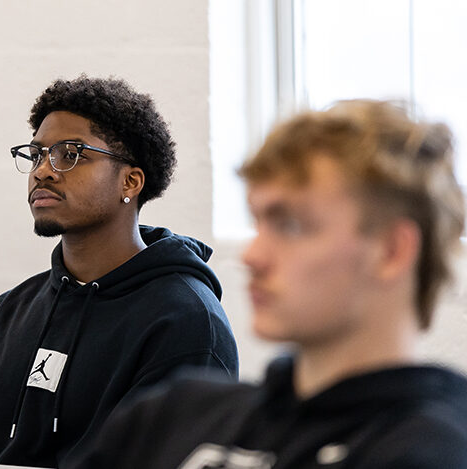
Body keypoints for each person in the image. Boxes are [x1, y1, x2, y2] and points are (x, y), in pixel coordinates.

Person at [67, 100, 467, 469]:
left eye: (290, 225)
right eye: (258, 223)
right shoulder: (172, 415)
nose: (252, 256)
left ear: (392, 251)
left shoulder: (431, 450)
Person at [0, 76, 238, 468]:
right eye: (37, 155)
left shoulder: (187, 322)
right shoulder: (5, 317)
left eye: (70, 154)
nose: (44, 171)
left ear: (131, 181)